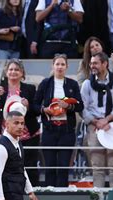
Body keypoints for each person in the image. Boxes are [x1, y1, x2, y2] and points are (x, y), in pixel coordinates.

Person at [0, 59, 40, 186]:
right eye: (10, 69)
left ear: (22, 73)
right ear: (6, 72)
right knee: (6, 166)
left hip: (28, 135)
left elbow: (37, 110)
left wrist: (29, 105)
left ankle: (33, 193)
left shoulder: (30, 89)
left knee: (29, 167)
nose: (13, 72)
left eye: (17, 69)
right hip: (6, 136)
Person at [32, 54, 83, 187]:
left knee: (63, 167)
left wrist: (68, 106)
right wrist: (44, 110)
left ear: (67, 67)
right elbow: (35, 105)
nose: (60, 67)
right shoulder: (45, 83)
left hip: (67, 130)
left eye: (62, 64)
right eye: (57, 64)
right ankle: (50, 197)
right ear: (52, 66)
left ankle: (62, 196)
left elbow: (80, 105)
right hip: (49, 130)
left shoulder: (72, 84)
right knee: (49, 167)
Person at [81, 52, 113, 188]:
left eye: (95, 63)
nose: (92, 66)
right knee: (97, 167)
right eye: (91, 63)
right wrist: (97, 122)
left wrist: (107, 120)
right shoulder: (87, 84)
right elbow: (82, 108)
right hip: (94, 127)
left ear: (105, 64)